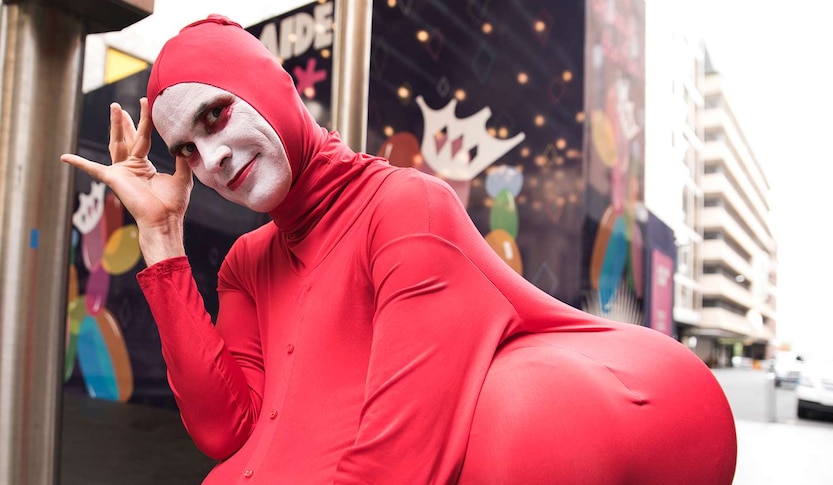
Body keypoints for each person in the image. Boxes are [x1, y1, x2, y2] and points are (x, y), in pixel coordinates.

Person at [60, 15, 737, 484]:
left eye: (216, 114)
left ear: (272, 89)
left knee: (527, 416)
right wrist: (160, 239)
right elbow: (225, 430)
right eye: (186, 151)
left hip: (645, 403)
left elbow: (395, 468)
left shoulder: (406, 208)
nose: (212, 158)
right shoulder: (246, 265)